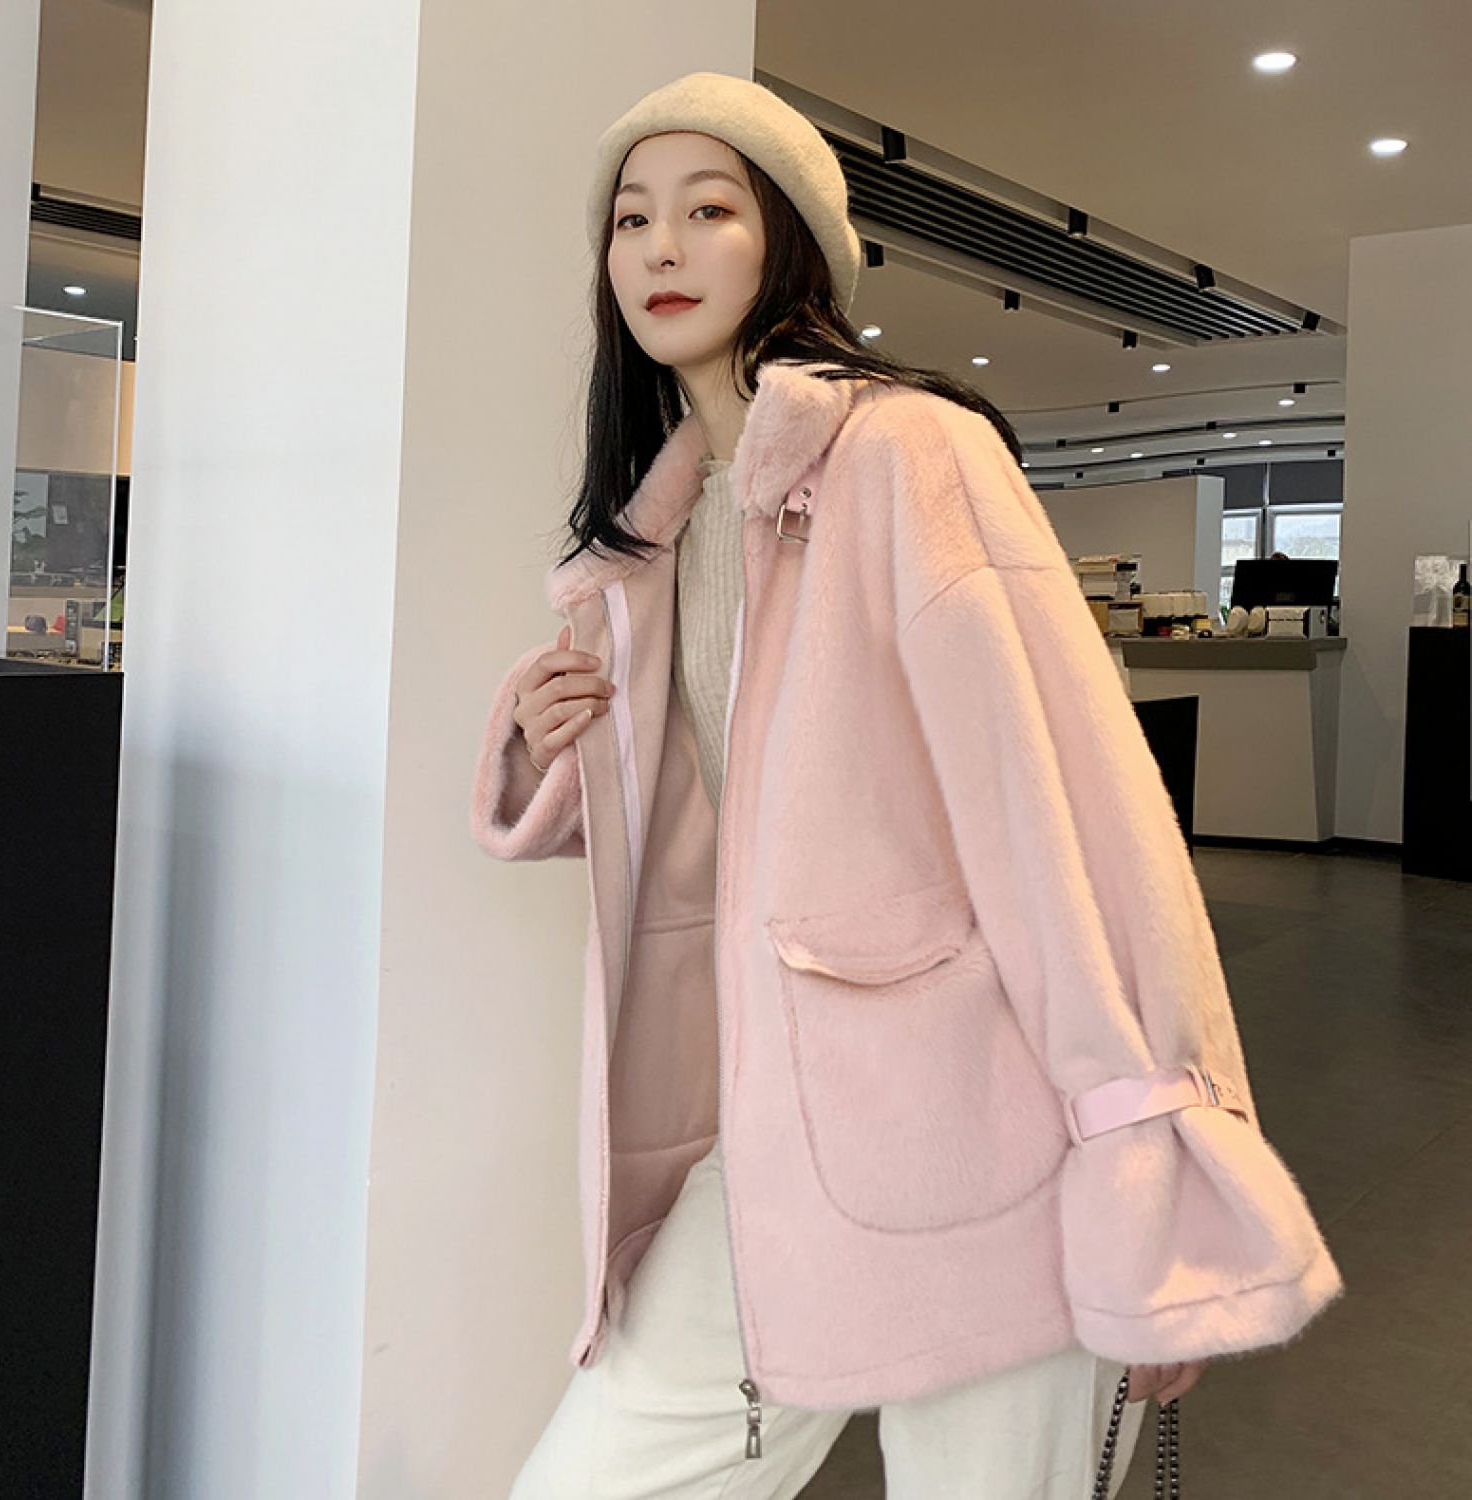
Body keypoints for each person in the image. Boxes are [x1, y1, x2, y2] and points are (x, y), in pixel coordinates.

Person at [471, 71, 1343, 1498]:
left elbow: (1074, 810)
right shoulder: (651, 540)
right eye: (631, 219)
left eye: (710, 209)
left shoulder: (905, 452)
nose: (662, 248)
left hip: (994, 1150)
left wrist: (1160, 1158)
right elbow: (728, 831)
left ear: (790, 245)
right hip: (778, 1142)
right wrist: (553, 747)